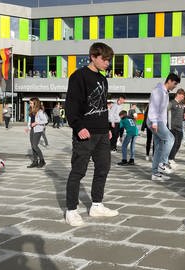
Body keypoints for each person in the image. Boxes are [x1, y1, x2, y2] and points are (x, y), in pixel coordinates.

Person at [64, 42, 118, 227]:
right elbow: (71, 106)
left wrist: (107, 129)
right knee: (78, 171)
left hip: (102, 133)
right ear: (93, 57)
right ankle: (71, 210)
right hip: (85, 133)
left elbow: (102, 106)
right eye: (104, 59)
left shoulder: (103, 79)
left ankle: (96, 205)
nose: (107, 63)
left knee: (103, 169)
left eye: (109, 60)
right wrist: (78, 127)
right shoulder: (78, 76)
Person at [147, 73, 180, 181]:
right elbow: (153, 106)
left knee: (159, 146)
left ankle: (155, 173)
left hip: (159, 121)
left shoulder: (165, 93)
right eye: (174, 84)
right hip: (155, 121)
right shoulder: (158, 91)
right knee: (170, 138)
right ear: (169, 81)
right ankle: (163, 163)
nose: (175, 86)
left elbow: (162, 111)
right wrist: (155, 122)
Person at [26, 98, 48, 168]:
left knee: (35, 146)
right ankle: (35, 161)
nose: (30, 104)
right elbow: (30, 121)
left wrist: (36, 123)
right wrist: (28, 128)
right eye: (30, 103)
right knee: (32, 146)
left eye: (31, 103)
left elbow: (45, 120)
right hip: (32, 130)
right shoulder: (31, 110)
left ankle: (42, 161)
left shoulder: (40, 111)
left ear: (35, 103)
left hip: (38, 130)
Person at [167, 88, 185, 168]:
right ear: (178, 94)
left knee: (178, 144)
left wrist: (184, 115)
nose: (183, 98)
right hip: (172, 127)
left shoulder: (181, 105)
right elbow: (164, 111)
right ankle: (170, 159)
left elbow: (182, 113)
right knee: (174, 144)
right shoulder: (171, 103)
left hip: (180, 127)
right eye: (182, 96)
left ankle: (172, 158)